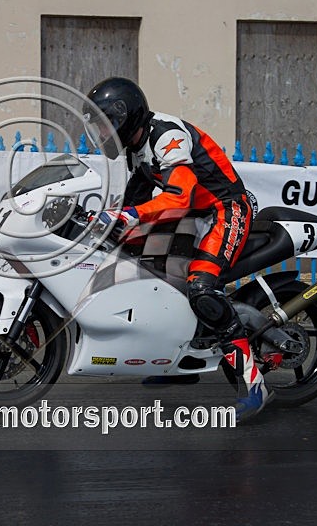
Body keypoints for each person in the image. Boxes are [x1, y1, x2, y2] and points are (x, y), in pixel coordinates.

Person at [84, 76, 274, 422]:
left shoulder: (167, 136)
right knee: (145, 267)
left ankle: (253, 384)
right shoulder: (136, 149)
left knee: (201, 287)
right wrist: (104, 225)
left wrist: (130, 216)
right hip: (193, 215)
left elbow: (180, 195)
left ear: (126, 116)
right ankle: (179, 364)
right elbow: (136, 197)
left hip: (224, 210)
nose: (101, 134)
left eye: (105, 124)